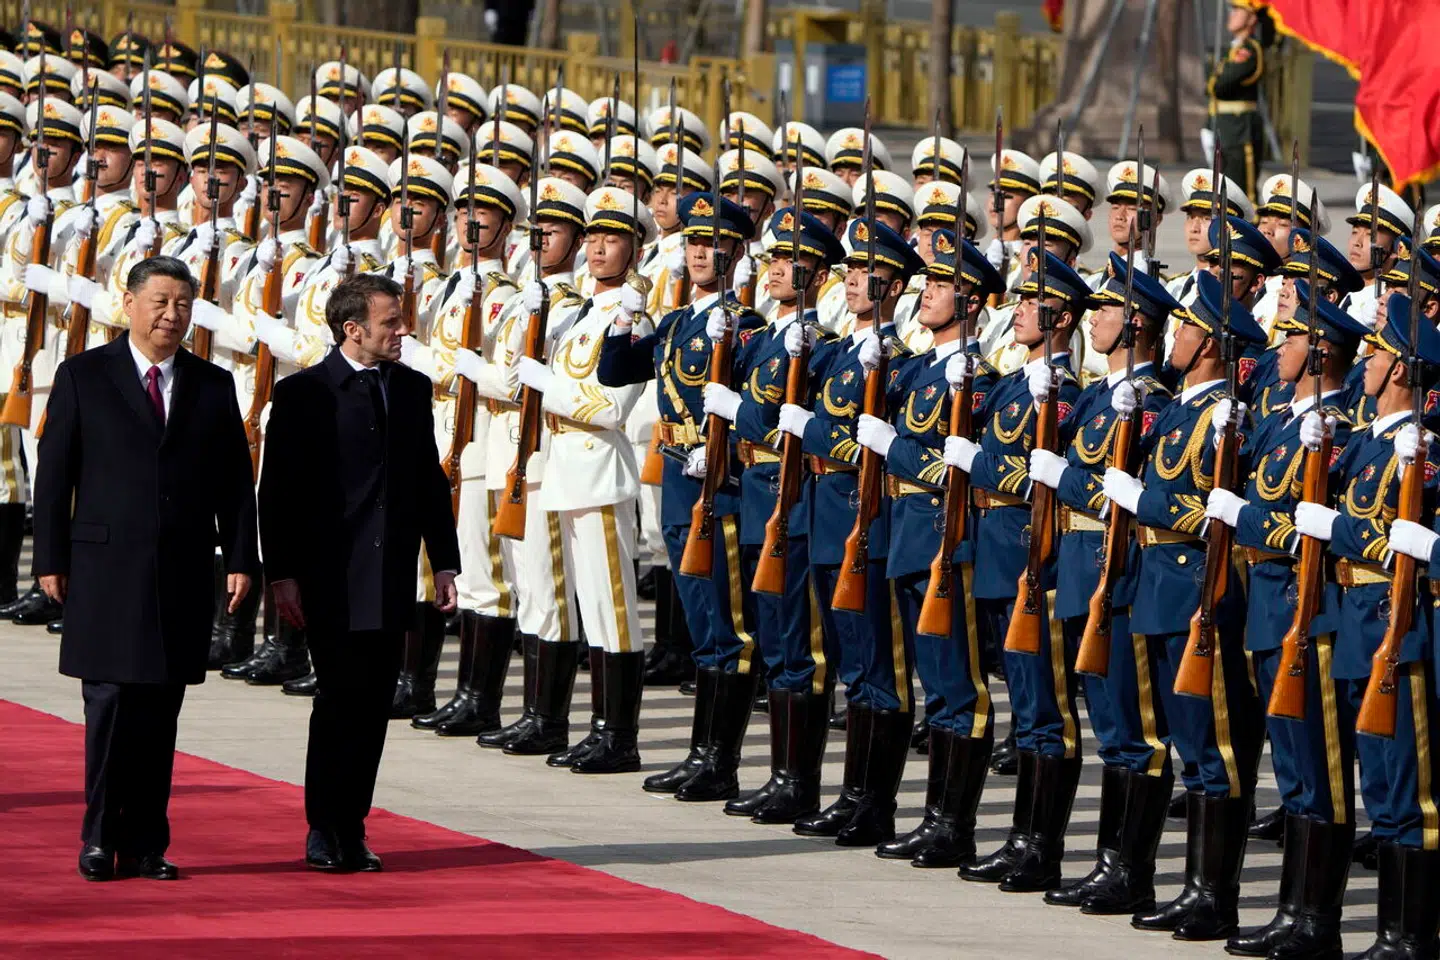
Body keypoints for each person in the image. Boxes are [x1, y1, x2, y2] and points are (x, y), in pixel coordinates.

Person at [32, 255, 258, 881]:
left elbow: (236, 484)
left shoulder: (212, 384)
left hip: (180, 571)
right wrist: (50, 558)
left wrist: (242, 556)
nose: (171, 315)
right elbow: (55, 477)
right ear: (127, 303)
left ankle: (148, 843)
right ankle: (100, 839)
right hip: (104, 570)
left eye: (183, 304)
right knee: (107, 709)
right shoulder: (83, 375)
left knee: (161, 712)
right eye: (159, 301)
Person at [258, 272, 460, 872]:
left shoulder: (413, 388)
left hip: (390, 571)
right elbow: (278, 493)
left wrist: (444, 561)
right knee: (338, 699)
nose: (402, 330)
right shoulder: (303, 394)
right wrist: (283, 574)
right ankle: (324, 827)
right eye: (390, 321)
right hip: (329, 576)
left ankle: (354, 826)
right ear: (353, 329)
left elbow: (428, 480)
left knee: (374, 704)